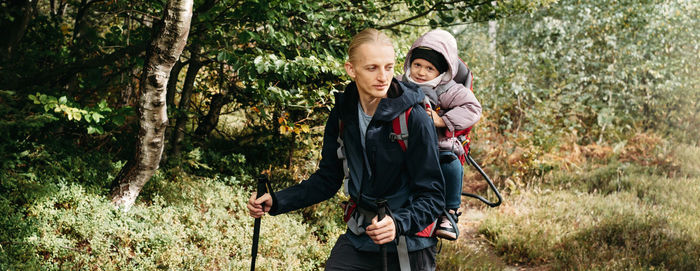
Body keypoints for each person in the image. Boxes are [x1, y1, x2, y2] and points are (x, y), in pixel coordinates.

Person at [247, 28, 445, 271]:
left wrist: (398, 223)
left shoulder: (413, 117)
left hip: (410, 245)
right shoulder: (344, 113)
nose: (383, 77)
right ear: (351, 69)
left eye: (389, 67)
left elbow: (433, 196)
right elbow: (328, 179)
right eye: (372, 68)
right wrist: (277, 201)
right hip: (361, 238)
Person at [400, 29, 482, 240]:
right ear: (410, 62)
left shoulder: (448, 89)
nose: (421, 72)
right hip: (403, 143)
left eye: (429, 68)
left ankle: (450, 213)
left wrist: (442, 121)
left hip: (438, 145)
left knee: (451, 164)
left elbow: (473, 108)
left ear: (441, 71)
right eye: (417, 65)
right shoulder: (399, 83)